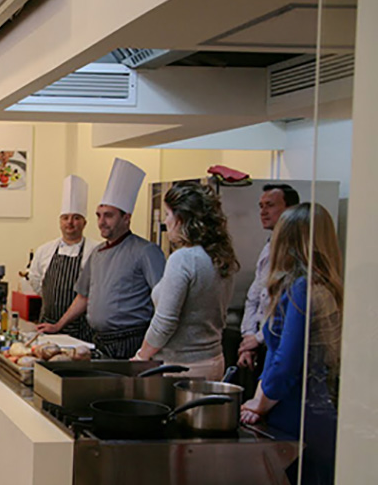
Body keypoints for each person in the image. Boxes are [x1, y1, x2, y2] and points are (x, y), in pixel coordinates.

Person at [239, 203, 341, 485]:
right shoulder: (320, 287)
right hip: (309, 415)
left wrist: (258, 403)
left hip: (301, 420)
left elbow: (287, 364)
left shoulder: (302, 289)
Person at [39, 159, 165, 359]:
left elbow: (165, 303)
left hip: (131, 341)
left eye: (108, 216)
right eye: (99, 215)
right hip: (100, 340)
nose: (101, 222)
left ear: (126, 218)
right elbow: (83, 297)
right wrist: (58, 326)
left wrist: (151, 349)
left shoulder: (146, 251)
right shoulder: (97, 253)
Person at [132, 183, 239, 379]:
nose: (165, 222)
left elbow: (165, 323)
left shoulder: (183, 259)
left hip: (181, 366)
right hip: (213, 359)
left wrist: (141, 357)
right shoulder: (220, 255)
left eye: (167, 214)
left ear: (180, 219)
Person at [238, 183, 301, 369]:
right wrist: (248, 337)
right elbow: (254, 297)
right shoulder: (268, 246)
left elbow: (286, 311)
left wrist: (258, 339)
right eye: (261, 206)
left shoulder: (297, 251)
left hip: (279, 344)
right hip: (259, 343)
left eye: (270, 205)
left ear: (290, 209)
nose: (263, 212)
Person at [27, 175, 95, 340]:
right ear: (60, 222)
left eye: (76, 218)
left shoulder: (95, 250)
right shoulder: (45, 250)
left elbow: (95, 291)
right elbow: (36, 281)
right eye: (65, 218)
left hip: (82, 331)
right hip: (47, 326)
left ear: (84, 223)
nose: (70, 222)